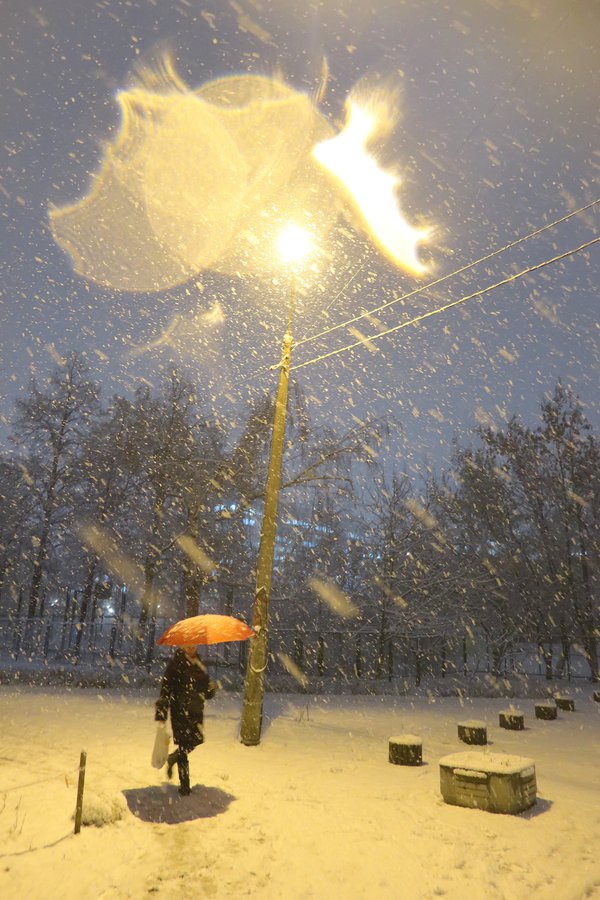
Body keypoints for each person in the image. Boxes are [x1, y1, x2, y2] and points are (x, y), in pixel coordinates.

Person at [155, 645, 216, 796]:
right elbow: (165, 690)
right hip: (180, 713)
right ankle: (185, 787)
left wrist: (211, 689)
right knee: (183, 748)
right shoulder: (175, 665)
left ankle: (172, 758)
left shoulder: (200, 664)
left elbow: (205, 693)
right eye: (188, 645)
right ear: (182, 646)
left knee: (196, 740)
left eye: (194, 645)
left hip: (196, 713)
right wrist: (162, 714)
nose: (191, 648)